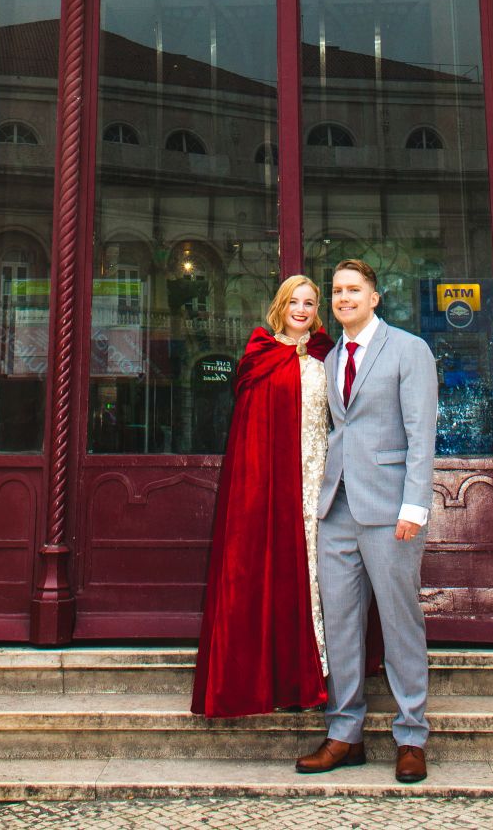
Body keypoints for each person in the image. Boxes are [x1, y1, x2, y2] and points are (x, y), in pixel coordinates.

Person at [296, 258, 438, 785]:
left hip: (390, 510)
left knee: (401, 621)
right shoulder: (332, 357)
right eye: (336, 291)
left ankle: (411, 736)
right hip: (336, 511)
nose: (343, 298)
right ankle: (345, 734)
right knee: (340, 624)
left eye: (353, 290)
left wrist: (414, 507)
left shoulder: (408, 350)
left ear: (375, 297)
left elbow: (421, 432)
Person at [191, 274, 334, 718]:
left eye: (310, 302)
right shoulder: (259, 355)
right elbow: (249, 433)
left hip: (322, 485)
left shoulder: (329, 356)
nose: (302, 309)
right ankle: (278, 678)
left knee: (323, 575)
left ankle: (322, 674)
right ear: (279, 305)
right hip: (273, 483)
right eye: (294, 301)